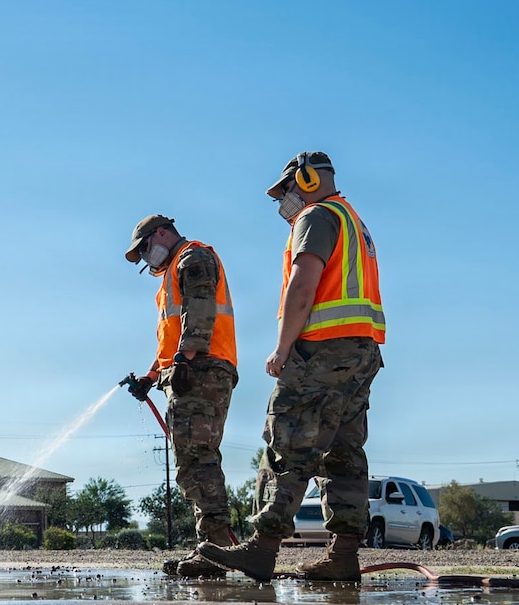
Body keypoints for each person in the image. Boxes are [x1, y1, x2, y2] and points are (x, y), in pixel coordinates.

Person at [200, 152, 384, 583]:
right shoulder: (353, 221)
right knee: (345, 453)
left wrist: (282, 349)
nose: (283, 203)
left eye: (284, 192)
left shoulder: (317, 217)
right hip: (361, 353)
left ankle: (262, 550)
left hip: (320, 351)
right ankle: (343, 555)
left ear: (303, 180)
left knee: (286, 445)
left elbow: (303, 285)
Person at [123, 215, 239, 576]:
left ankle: (216, 550)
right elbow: (172, 337)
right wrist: (154, 374)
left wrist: (186, 360)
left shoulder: (193, 257)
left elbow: (199, 313)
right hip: (191, 368)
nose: (146, 257)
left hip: (202, 369)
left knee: (198, 459)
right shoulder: (175, 269)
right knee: (191, 462)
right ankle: (210, 545)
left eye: (144, 248)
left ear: (160, 233)